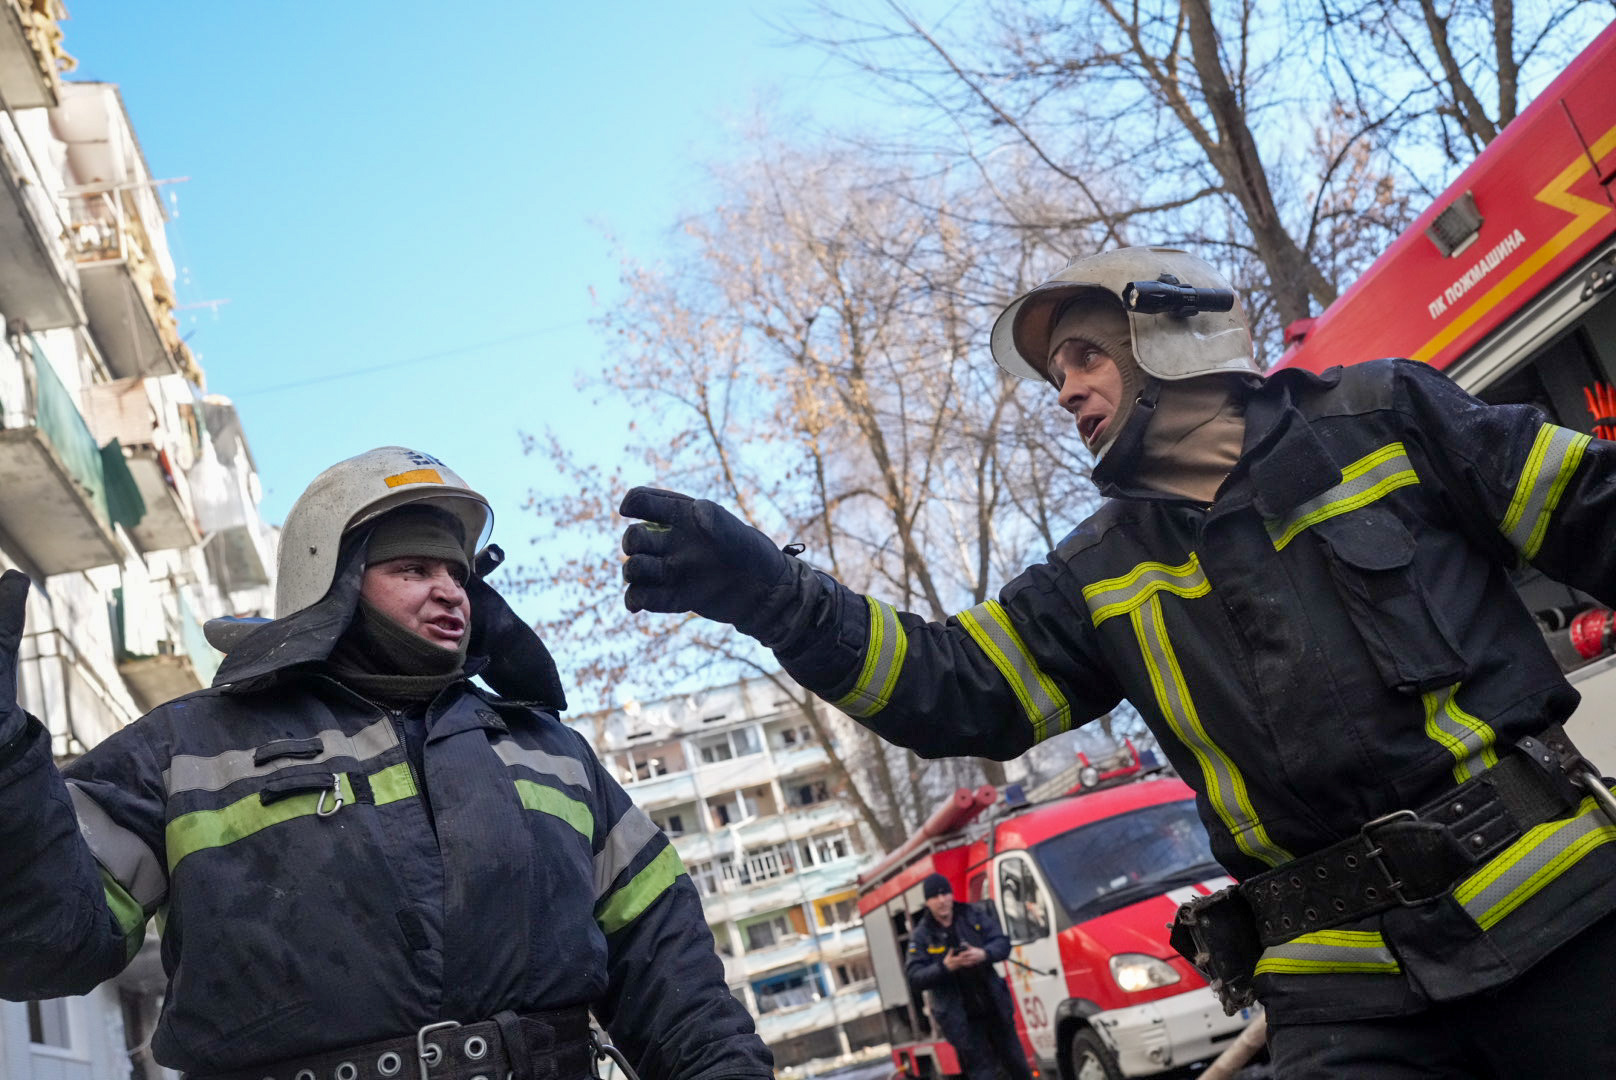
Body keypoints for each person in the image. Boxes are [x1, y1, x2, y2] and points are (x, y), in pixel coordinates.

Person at [619, 247, 1616, 1077]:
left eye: (1084, 355)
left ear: (1175, 329)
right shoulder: (1097, 572)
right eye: (1057, 371)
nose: (1063, 390)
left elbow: (1595, 514)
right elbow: (952, 686)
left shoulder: (1385, 417)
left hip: (1563, 919)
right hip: (1344, 995)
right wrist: (775, 599)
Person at [0, 446, 773, 1080]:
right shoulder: (187, 749)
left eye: (458, 574)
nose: (449, 593)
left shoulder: (552, 755)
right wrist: (6, 762)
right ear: (330, 582)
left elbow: (671, 975)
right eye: (413, 569)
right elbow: (45, 948)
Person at [905, 874, 1032, 1080]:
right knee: (983, 1074)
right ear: (927, 902)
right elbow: (914, 977)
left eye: (945, 893)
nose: (942, 900)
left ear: (952, 894)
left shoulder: (973, 915)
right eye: (935, 896)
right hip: (963, 1024)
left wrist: (983, 954)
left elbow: (1002, 942)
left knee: (1018, 1068)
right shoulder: (922, 935)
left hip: (996, 1010)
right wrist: (945, 967)